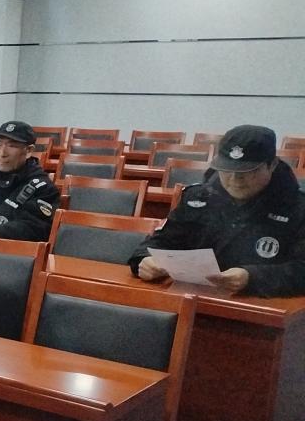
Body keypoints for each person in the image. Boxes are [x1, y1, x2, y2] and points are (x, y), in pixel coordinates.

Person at [129, 124, 305, 296]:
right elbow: (160, 241)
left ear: (272, 165)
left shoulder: (298, 208)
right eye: (227, 170)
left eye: (247, 171)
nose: (235, 179)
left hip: (260, 306)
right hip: (192, 297)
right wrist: (145, 260)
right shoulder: (198, 197)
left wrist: (252, 278)